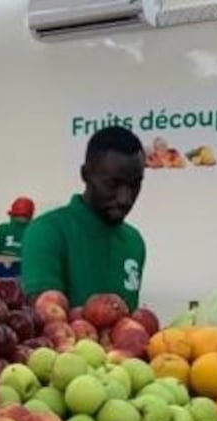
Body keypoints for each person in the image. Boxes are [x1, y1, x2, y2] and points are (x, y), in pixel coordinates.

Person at [20, 126, 147, 310]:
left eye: (135, 185)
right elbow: (48, 322)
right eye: (113, 184)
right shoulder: (46, 232)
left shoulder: (134, 242)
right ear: (85, 175)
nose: (125, 198)